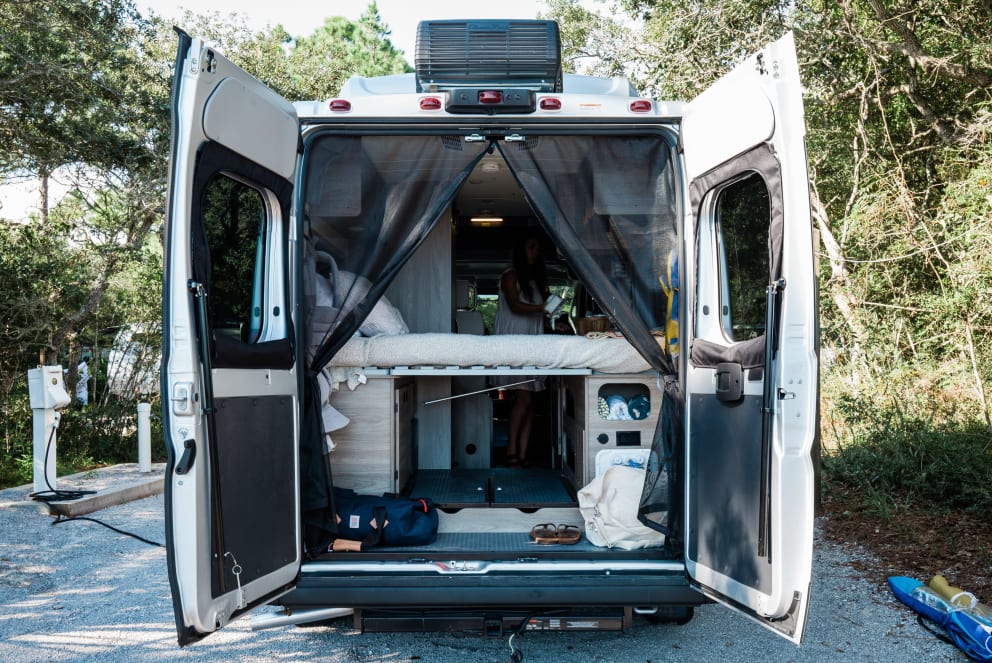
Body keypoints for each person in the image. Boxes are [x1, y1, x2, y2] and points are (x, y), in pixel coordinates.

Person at [493, 233, 550, 467]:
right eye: (531, 247)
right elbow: (515, 306)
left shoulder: (535, 282)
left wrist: (551, 320)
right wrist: (542, 307)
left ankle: (522, 454)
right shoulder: (510, 275)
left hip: (533, 344)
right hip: (515, 344)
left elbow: (537, 315)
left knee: (530, 401)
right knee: (524, 398)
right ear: (521, 250)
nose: (535, 252)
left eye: (537, 248)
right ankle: (511, 451)